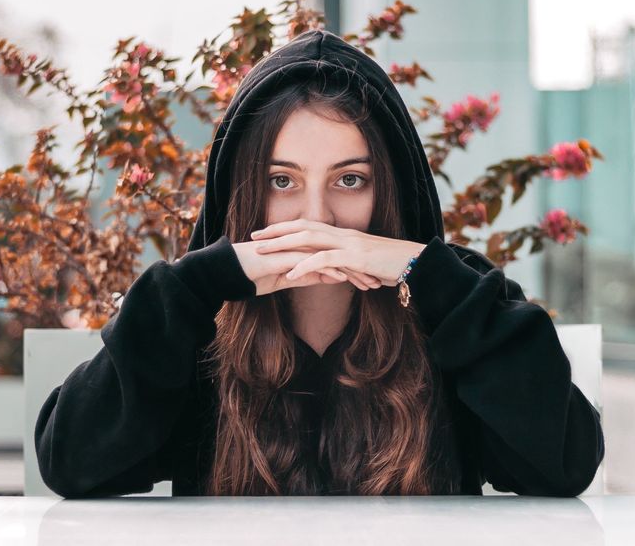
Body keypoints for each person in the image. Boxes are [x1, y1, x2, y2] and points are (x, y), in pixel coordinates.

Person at [34, 30, 605, 498]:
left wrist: (428, 272)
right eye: (282, 182)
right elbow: (70, 464)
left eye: (350, 180)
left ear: (392, 192)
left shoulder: (451, 308)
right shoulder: (197, 332)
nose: (317, 217)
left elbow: (564, 466)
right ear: (246, 190)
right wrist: (200, 281)